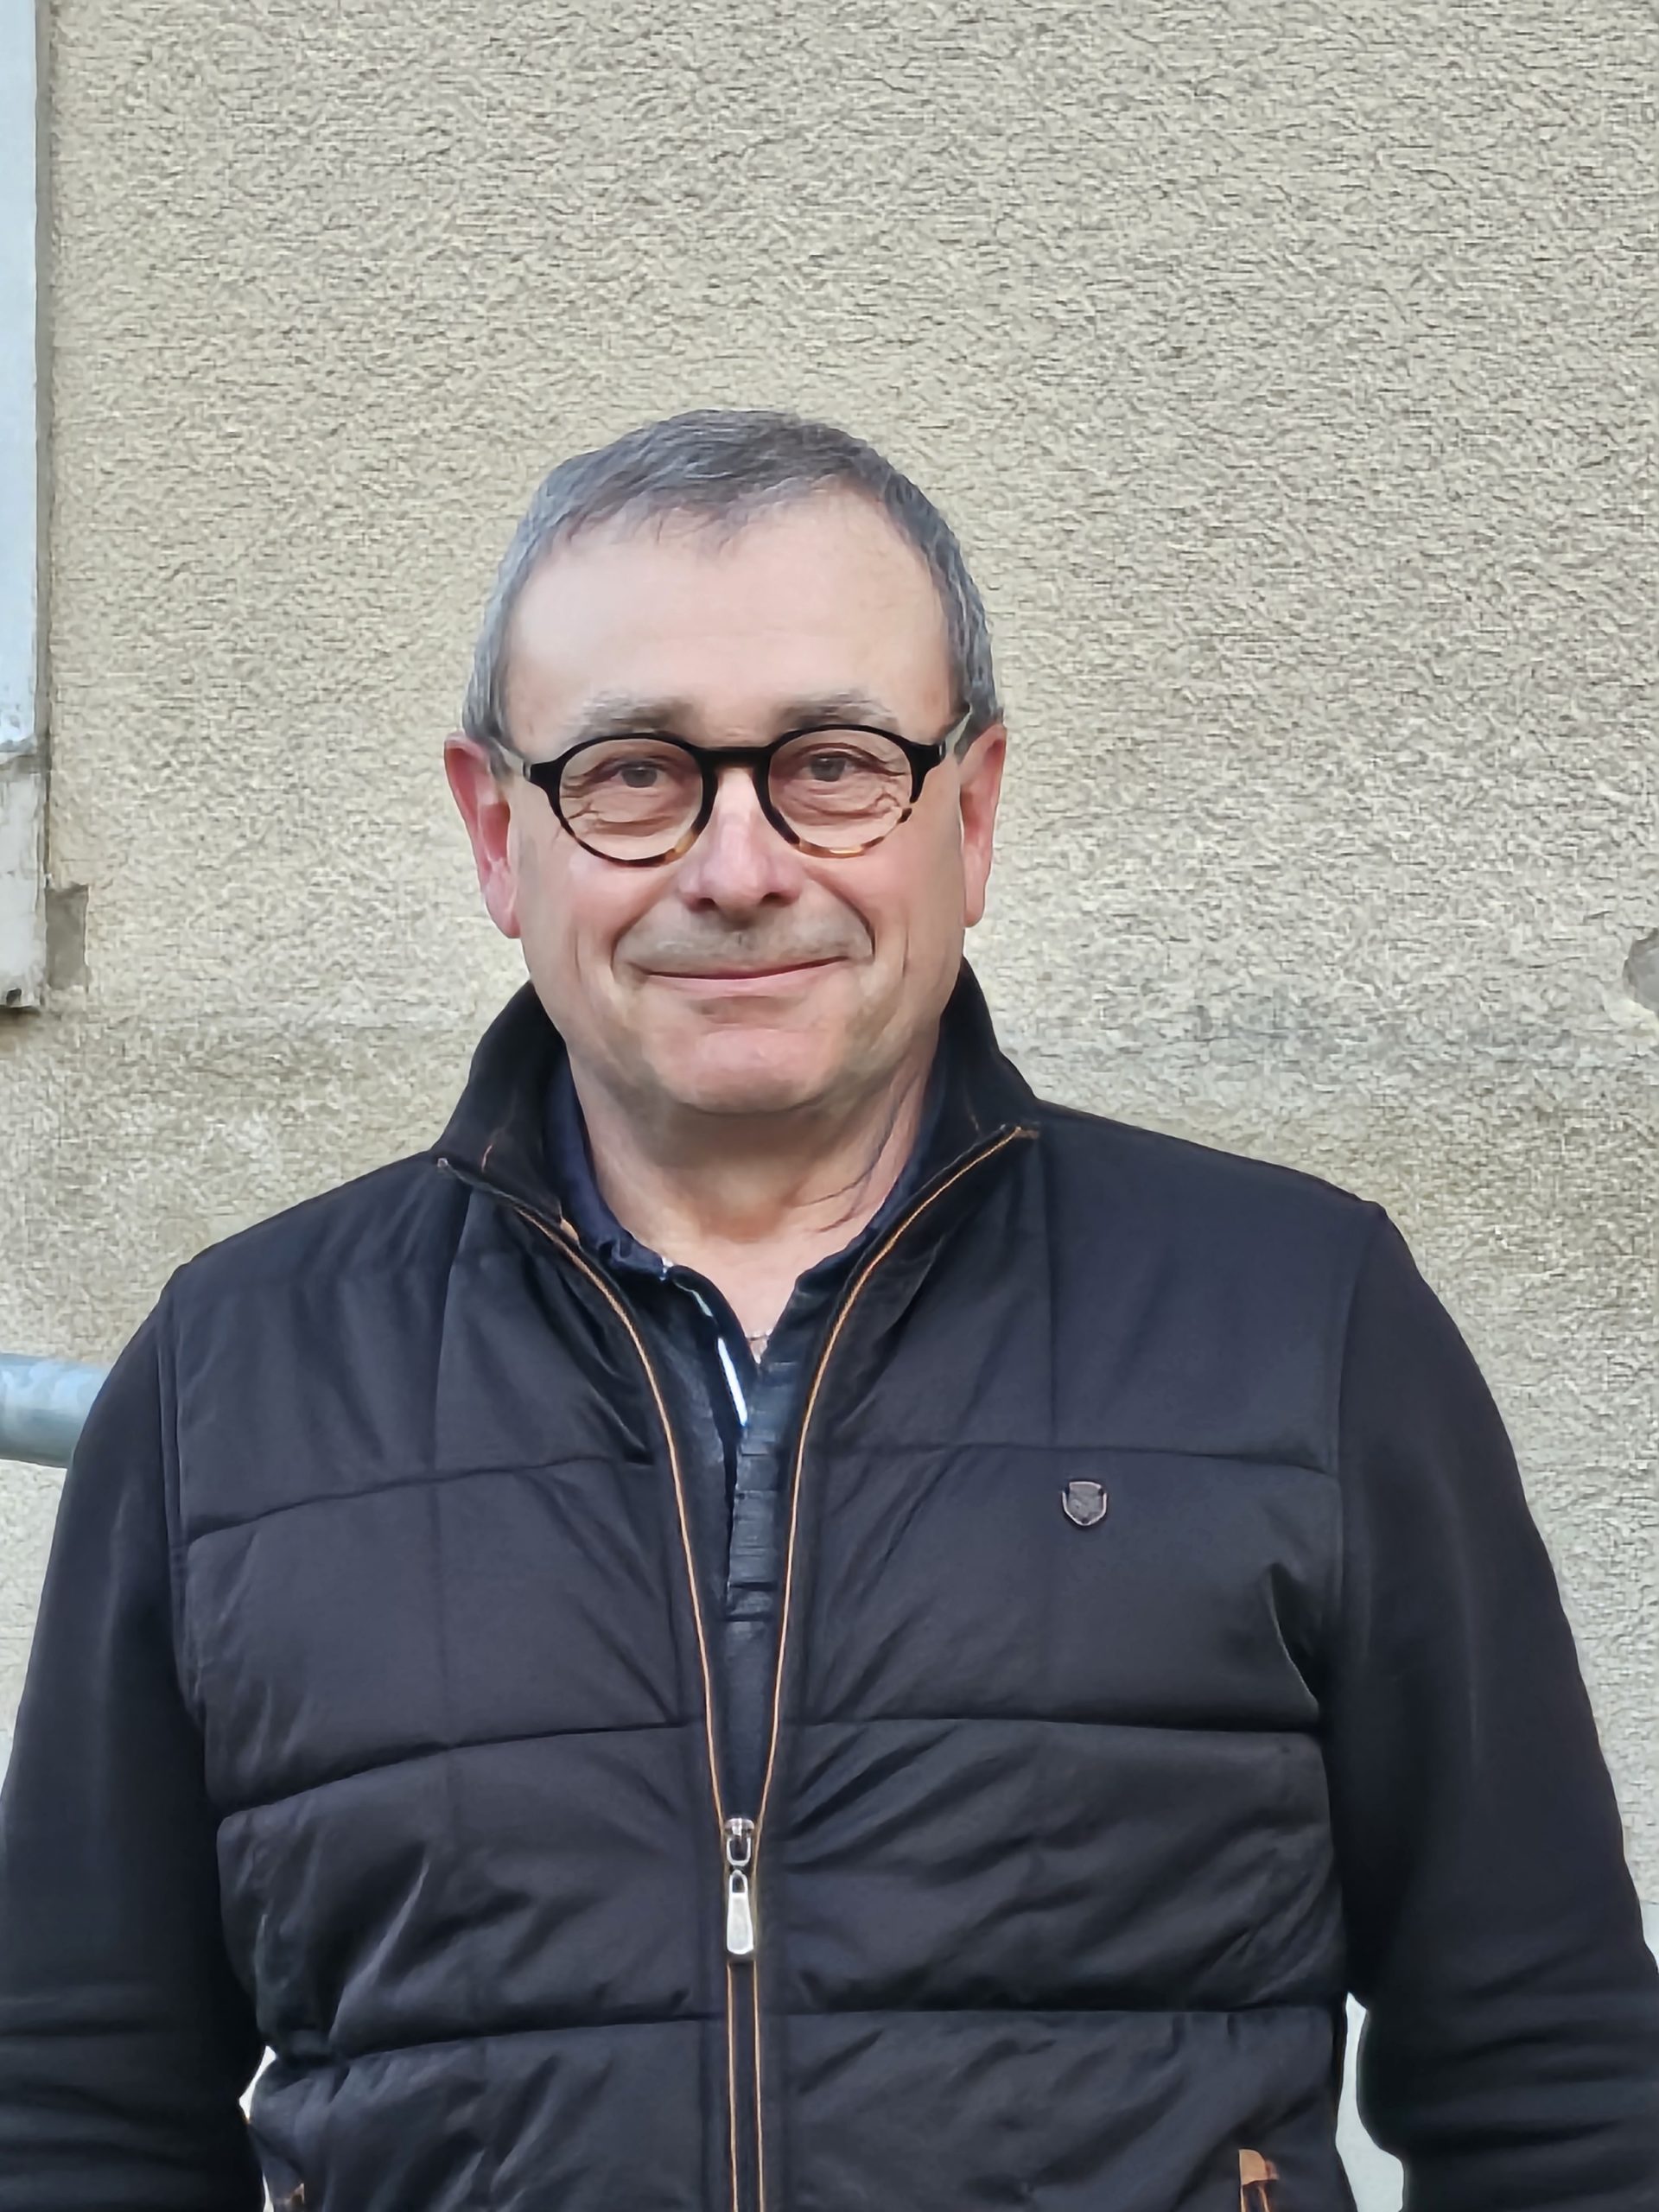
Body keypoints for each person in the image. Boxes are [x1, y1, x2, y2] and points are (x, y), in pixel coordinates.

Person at [0, 409, 1654, 2211]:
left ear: (974, 811)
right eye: (634, 772)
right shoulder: (237, 1375)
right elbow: (77, 2113)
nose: (739, 866)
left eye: (837, 765)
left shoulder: (1298, 1321)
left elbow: (1553, 2082)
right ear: (495, 830)